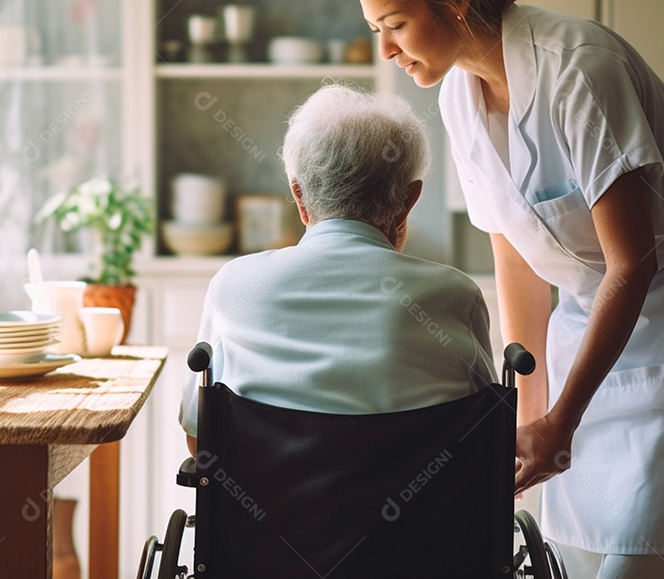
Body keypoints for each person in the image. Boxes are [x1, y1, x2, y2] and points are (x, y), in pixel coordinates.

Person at [351, 0, 664, 578]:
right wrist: (529, 418)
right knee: (576, 553)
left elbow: (633, 261)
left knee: (652, 553)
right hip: (592, 322)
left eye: (395, 25)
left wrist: (563, 416)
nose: (385, 49)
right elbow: (517, 262)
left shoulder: (578, 67)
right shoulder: (457, 101)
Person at [179, 85, 497, 456]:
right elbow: (487, 437)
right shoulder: (455, 295)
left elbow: (198, 438)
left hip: (269, 514)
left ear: (299, 197)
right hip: (424, 514)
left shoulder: (233, 286)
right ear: (409, 200)